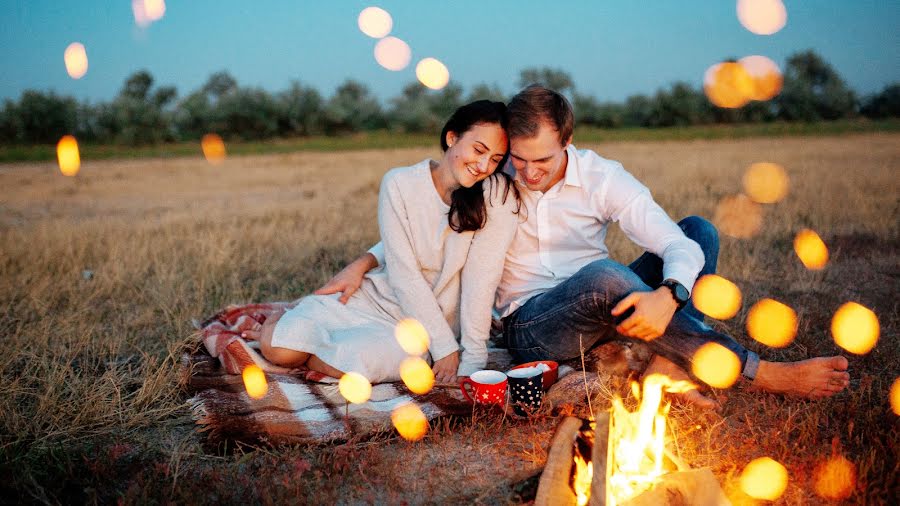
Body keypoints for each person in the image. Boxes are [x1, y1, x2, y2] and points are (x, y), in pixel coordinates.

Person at [320, 85, 850, 407]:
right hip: (533, 324)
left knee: (696, 233)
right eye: (518, 160)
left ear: (567, 143)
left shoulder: (602, 177)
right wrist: (367, 259)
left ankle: (666, 359)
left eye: (541, 161)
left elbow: (669, 240)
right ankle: (756, 372)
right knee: (606, 277)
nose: (526, 173)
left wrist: (670, 294)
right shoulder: (494, 176)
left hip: (600, 299)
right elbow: (430, 227)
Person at [244, 100, 520, 385]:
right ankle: (285, 323)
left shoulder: (497, 194)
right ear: (452, 137)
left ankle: (311, 342)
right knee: (279, 350)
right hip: (375, 300)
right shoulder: (400, 183)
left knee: (358, 368)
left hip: (420, 331)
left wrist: (468, 355)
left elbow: (481, 279)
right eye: (478, 150)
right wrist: (445, 348)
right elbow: (403, 274)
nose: (485, 165)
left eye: (497, 159)